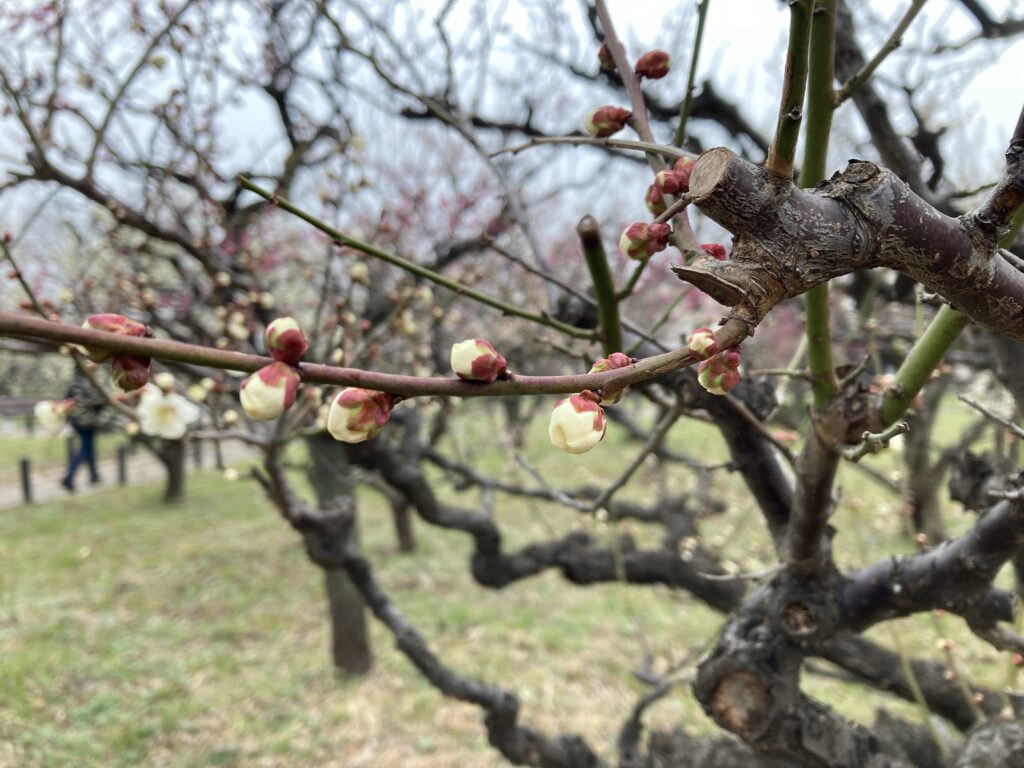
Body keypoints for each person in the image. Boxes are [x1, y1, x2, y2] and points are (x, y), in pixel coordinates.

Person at [61, 374, 106, 492]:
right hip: (88, 423)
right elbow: (100, 404)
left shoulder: (74, 385)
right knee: (85, 449)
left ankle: (94, 476)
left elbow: (66, 402)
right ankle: (69, 478)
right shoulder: (91, 385)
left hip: (77, 423)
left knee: (89, 448)